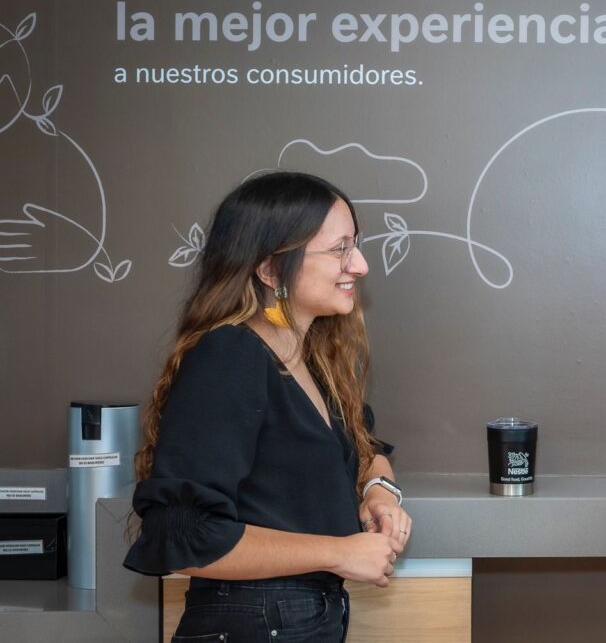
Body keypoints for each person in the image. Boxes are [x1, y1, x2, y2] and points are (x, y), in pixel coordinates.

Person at [124, 171, 412, 641]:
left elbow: (364, 444)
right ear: (271, 270)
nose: (359, 265)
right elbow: (184, 536)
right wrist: (339, 553)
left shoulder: (309, 360)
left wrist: (379, 491)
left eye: (355, 245)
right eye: (339, 249)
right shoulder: (231, 355)